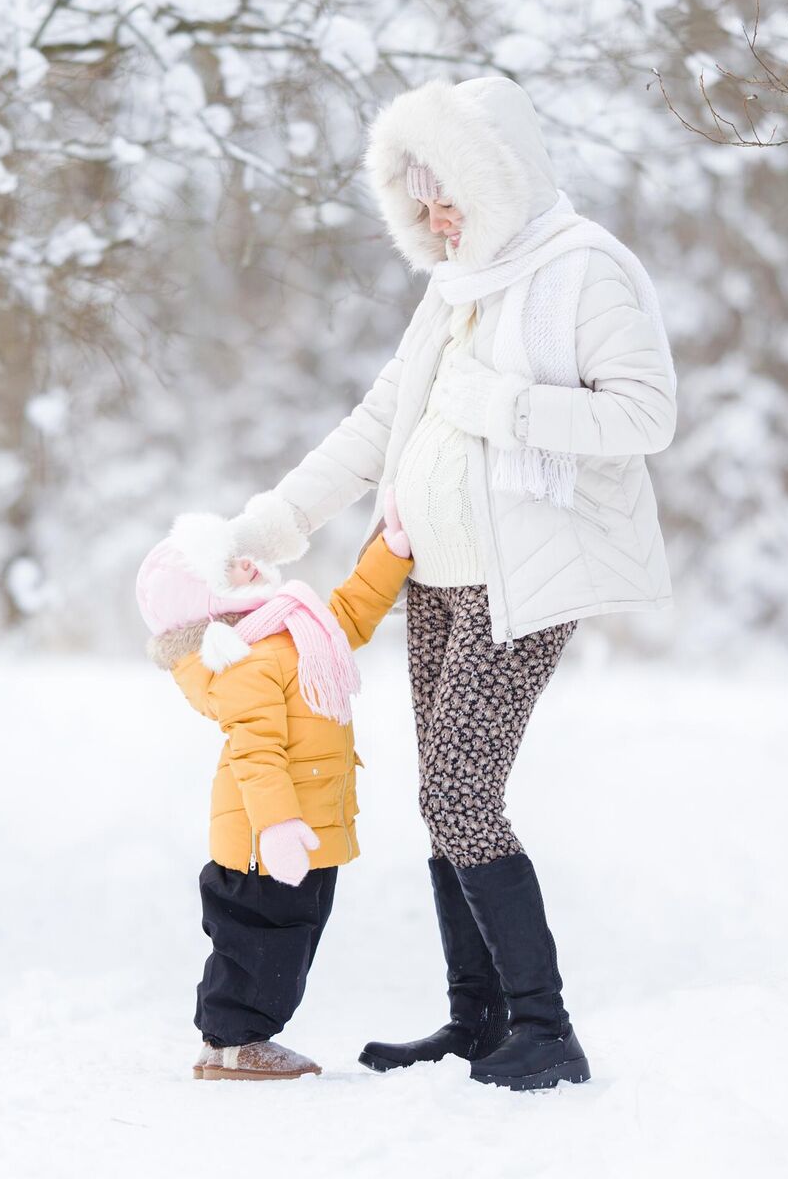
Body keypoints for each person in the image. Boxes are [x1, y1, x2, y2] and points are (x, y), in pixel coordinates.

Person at [221, 76, 680, 1091]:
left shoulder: (584, 270)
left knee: (463, 790)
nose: (436, 219)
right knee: (444, 800)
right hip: (434, 581)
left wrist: (506, 405)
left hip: (524, 580)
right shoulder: (452, 287)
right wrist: (276, 521)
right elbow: (378, 424)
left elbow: (647, 417)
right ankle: (476, 1021)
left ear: (500, 177)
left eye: (451, 193)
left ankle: (545, 1027)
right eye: (417, 200)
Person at [136, 494, 414, 1080]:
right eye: (231, 566)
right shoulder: (245, 659)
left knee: (281, 941)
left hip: (300, 825)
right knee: (264, 944)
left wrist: (389, 554)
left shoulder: (286, 632)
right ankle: (236, 1045)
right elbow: (255, 751)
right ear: (211, 598)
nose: (250, 564)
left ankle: (228, 1043)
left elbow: (351, 614)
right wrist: (278, 828)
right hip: (271, 839)